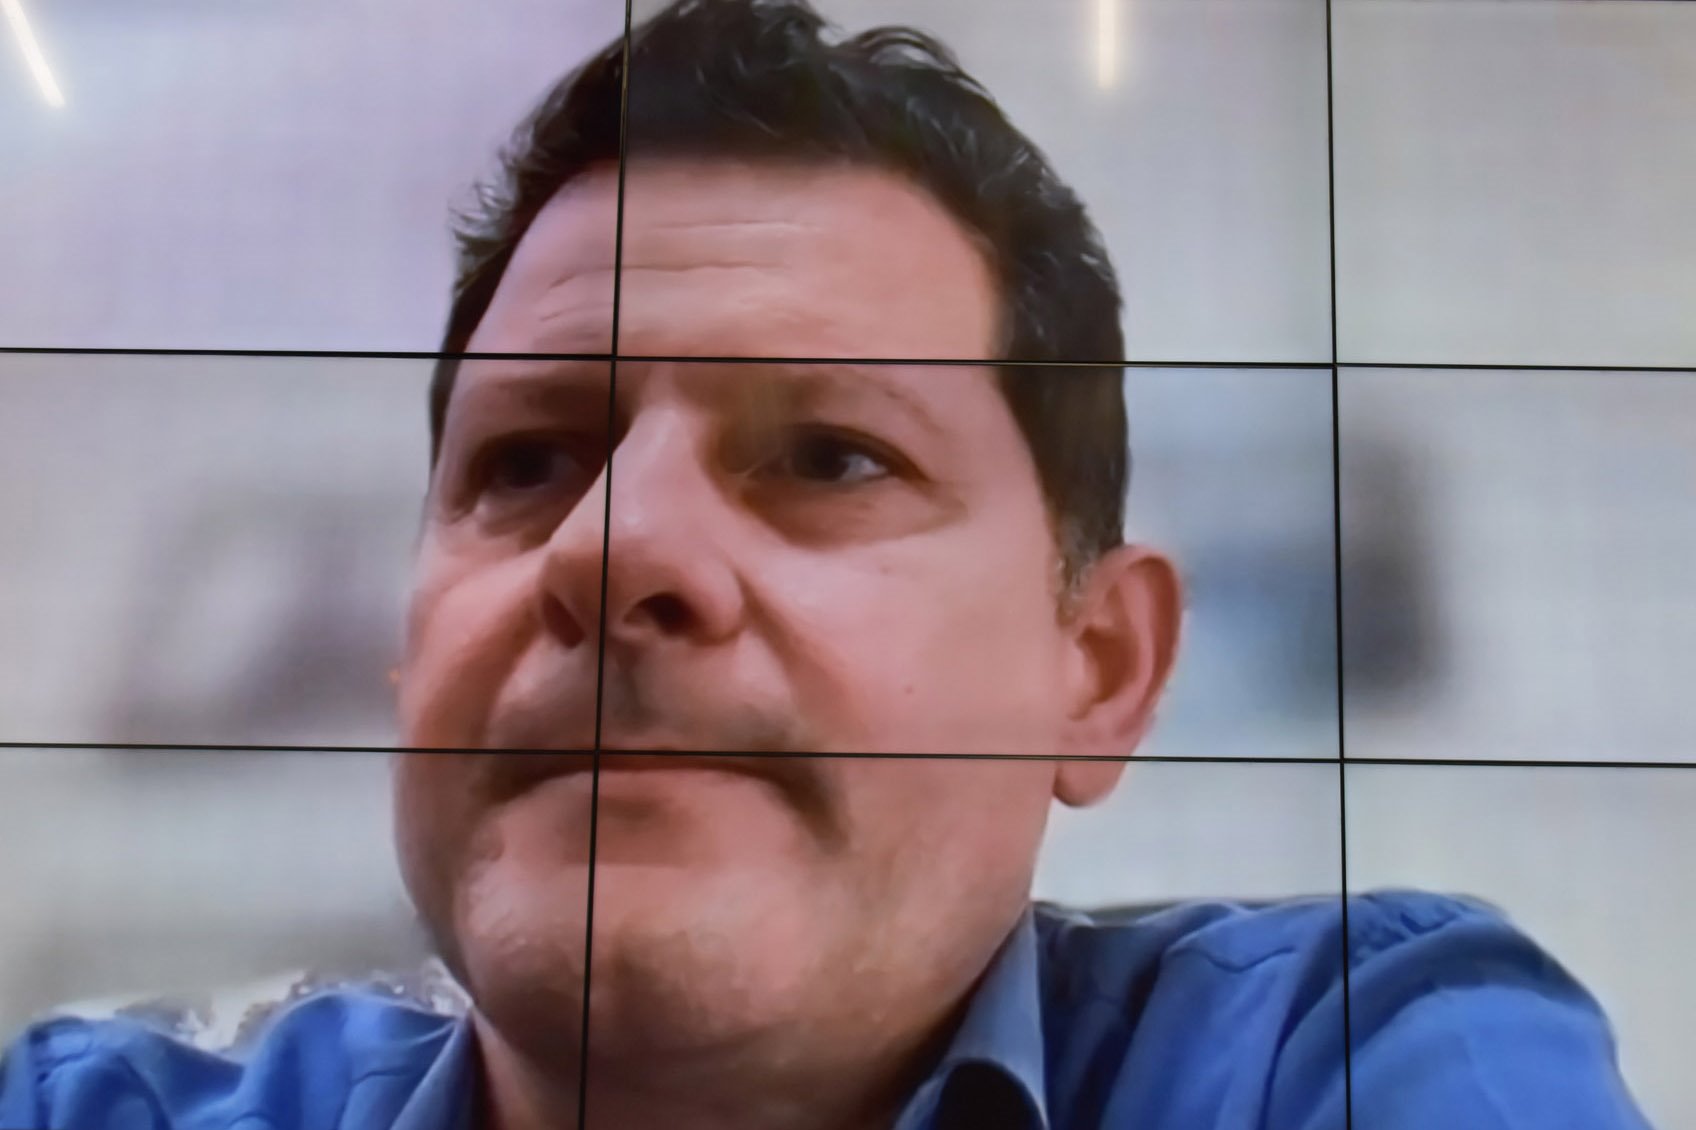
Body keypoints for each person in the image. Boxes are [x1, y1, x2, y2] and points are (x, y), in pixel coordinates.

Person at [0, 1, 1655, 1128]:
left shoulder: (1347, 1057)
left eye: (830, 457)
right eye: (527, 465)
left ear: (1098, 665)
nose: (610, 546)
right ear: (409, 639)